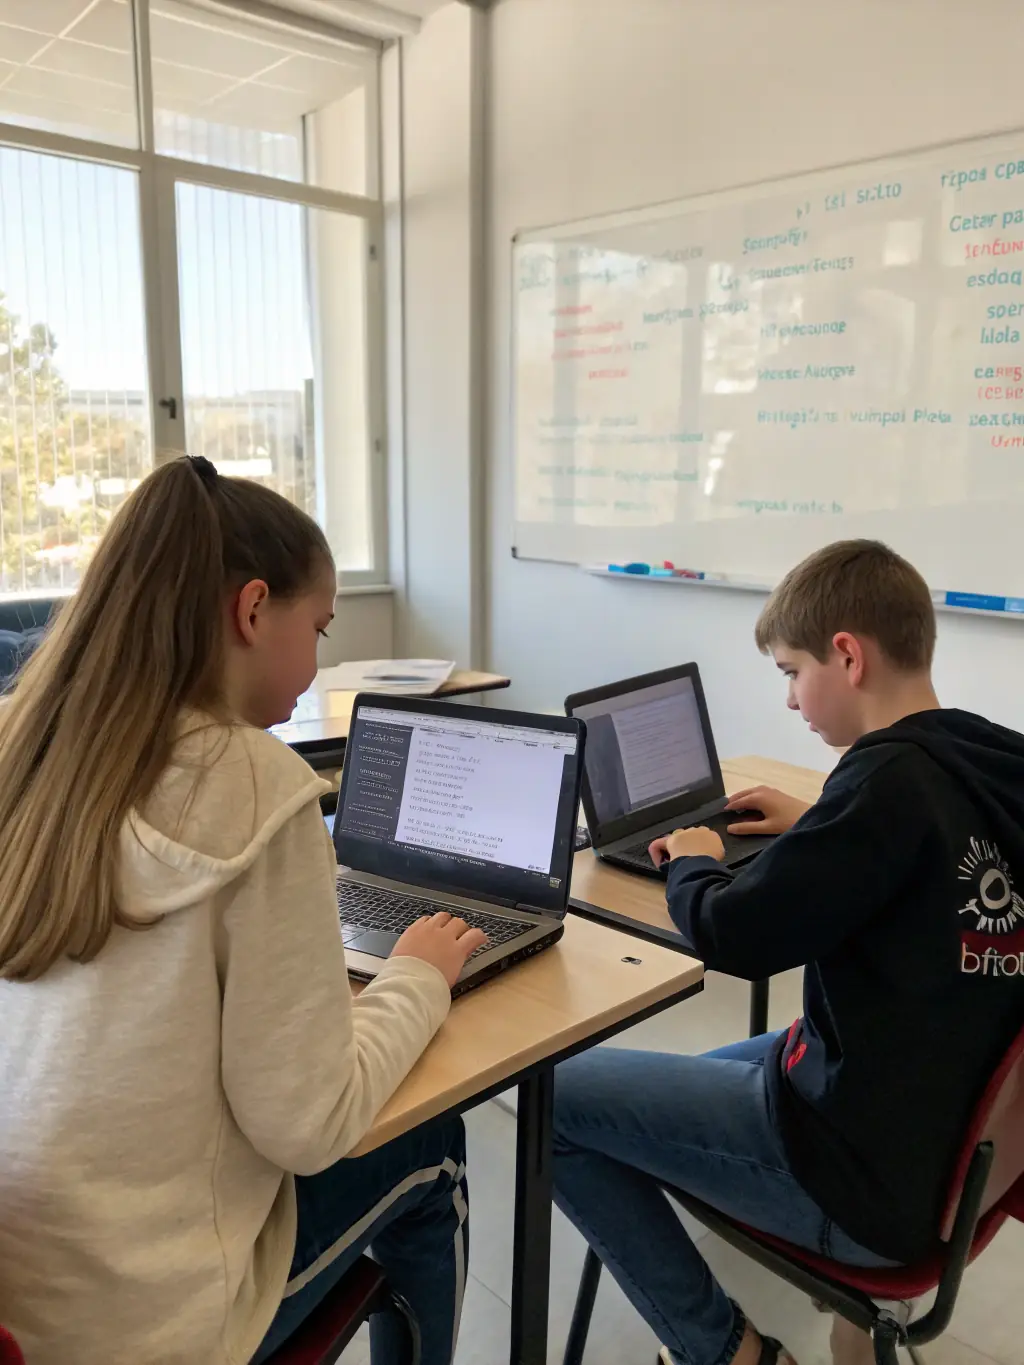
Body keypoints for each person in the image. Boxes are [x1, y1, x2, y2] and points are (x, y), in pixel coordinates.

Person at [0, 456, 486, 1365]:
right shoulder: (263, 788)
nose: (320, 659)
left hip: (26, 1288)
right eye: (320, 626)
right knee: (438, 1145)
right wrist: (417, 977)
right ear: (252, 608)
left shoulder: (28, 745)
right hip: (152, 1322)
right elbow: (312, 1125)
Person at [551, 540, 1024, 1365]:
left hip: (862, 1175)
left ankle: (726, 1351)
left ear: (847, 654)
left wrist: (695, 856)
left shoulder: (881, 785)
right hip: (943, 1136)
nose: (791, 699)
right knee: (704, 1069)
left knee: (552, 1104)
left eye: (790, 671)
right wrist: (817, 821)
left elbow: (735, 936)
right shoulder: (985, 758)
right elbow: (922, 855)